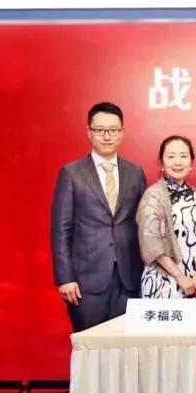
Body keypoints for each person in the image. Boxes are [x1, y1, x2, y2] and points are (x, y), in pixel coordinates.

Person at [51, 101, 147, 332]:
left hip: (129, 278)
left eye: (113, 130)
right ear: (89, 131)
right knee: (90, 346)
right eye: (100, 130)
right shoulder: (72, 173)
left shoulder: (135, 173)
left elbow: (145, 226)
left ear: (122, 132)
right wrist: (65, 278)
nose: (107, 136)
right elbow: (61, 230)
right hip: (86, 282)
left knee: (127, 347)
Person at [136, 135, 196, 298]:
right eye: (171, 156)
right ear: (162, 163)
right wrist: (179, 276)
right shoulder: (153, 195)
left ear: (191, 162)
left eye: (183, 156)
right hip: (161, 281)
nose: (177, 162)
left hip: (195, 283)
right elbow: (151, 242)